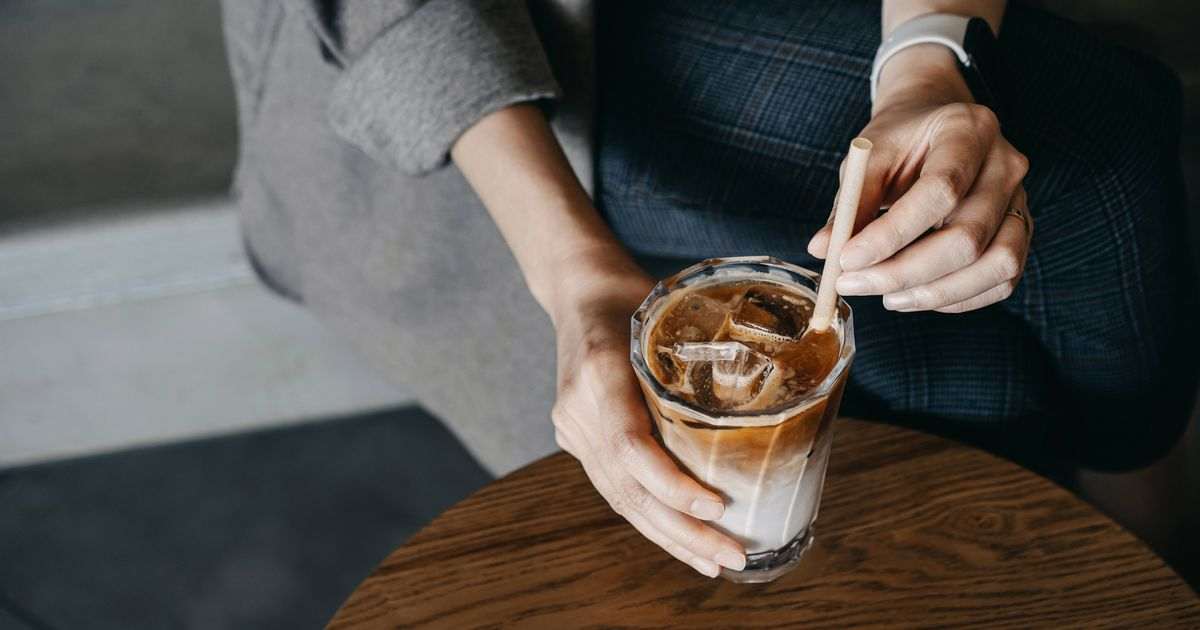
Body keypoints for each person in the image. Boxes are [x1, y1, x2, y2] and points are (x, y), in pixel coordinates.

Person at [221, 0, 1197, 577]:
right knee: (980, 359)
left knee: (1086, 151)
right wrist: (575, 281)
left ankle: (1147, 558)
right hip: (484, 39)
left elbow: (939, 61)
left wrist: (928, 59)